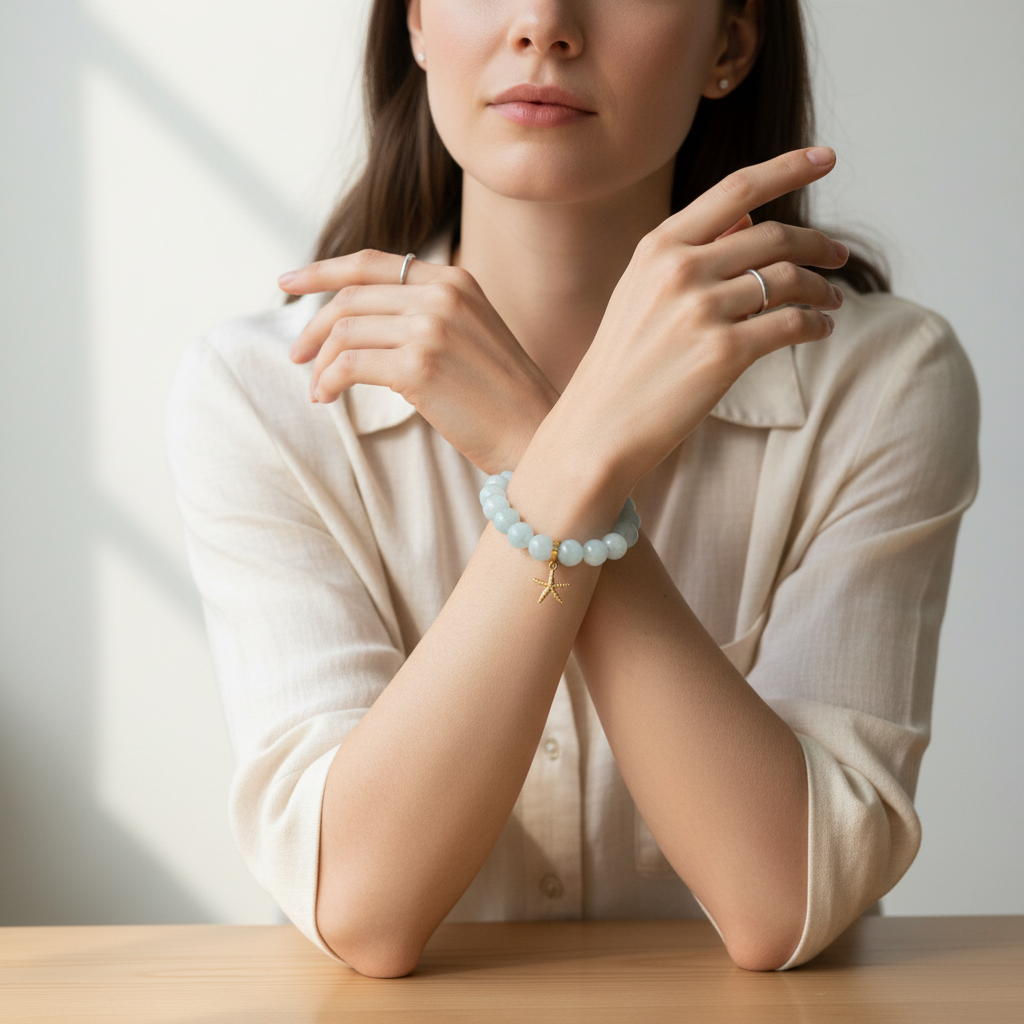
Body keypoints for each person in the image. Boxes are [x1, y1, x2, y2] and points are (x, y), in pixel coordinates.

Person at [165, 0, 979, 979]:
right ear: (418, 23)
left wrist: (539, 450)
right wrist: (565, 464)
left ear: (729, 43)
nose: (544, 25)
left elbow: (782, 900)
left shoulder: (882, 376)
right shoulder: (265, 393)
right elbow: (364, 906)